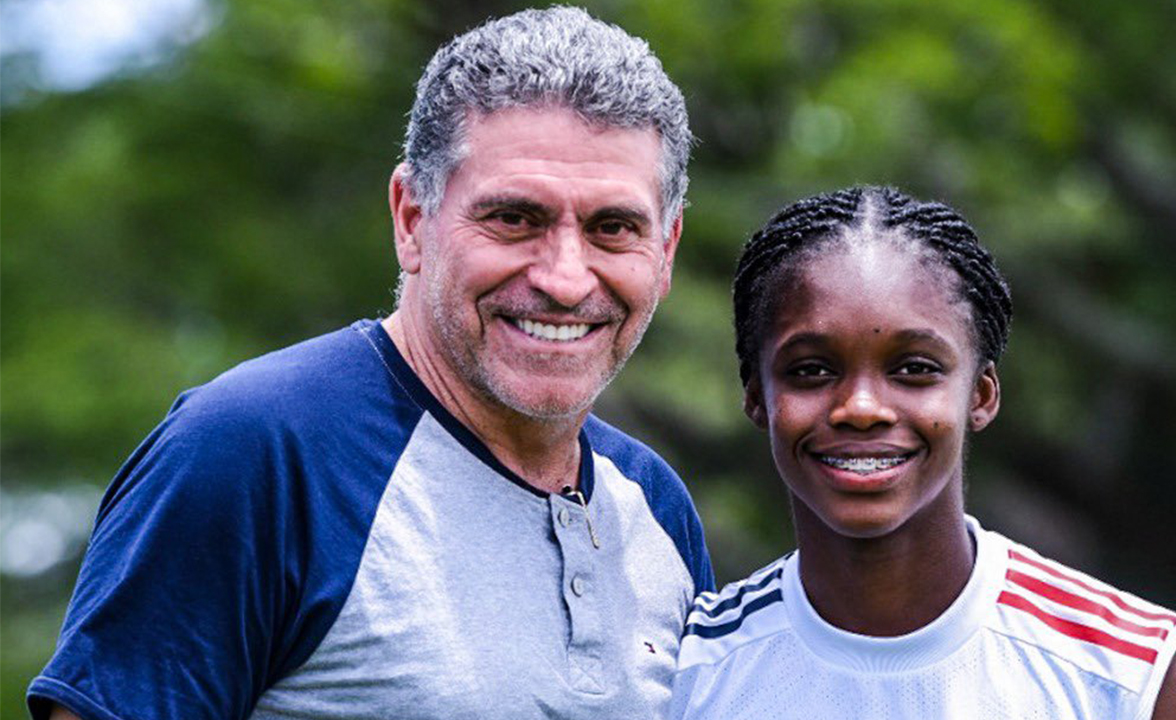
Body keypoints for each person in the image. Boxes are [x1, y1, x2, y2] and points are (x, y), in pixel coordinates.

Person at [28, 7, 714, 719]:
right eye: (515, 218)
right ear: (412, 219)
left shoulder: (656, 508)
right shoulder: (255, 452)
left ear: (664, 250)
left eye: (614, 228)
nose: (566, 279)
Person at [668, 186, 1176, 719]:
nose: (861, 407)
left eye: (915, 369)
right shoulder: (688, 672)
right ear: (757, 398)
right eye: (811, 370)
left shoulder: (1136, 676)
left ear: (980, 396)